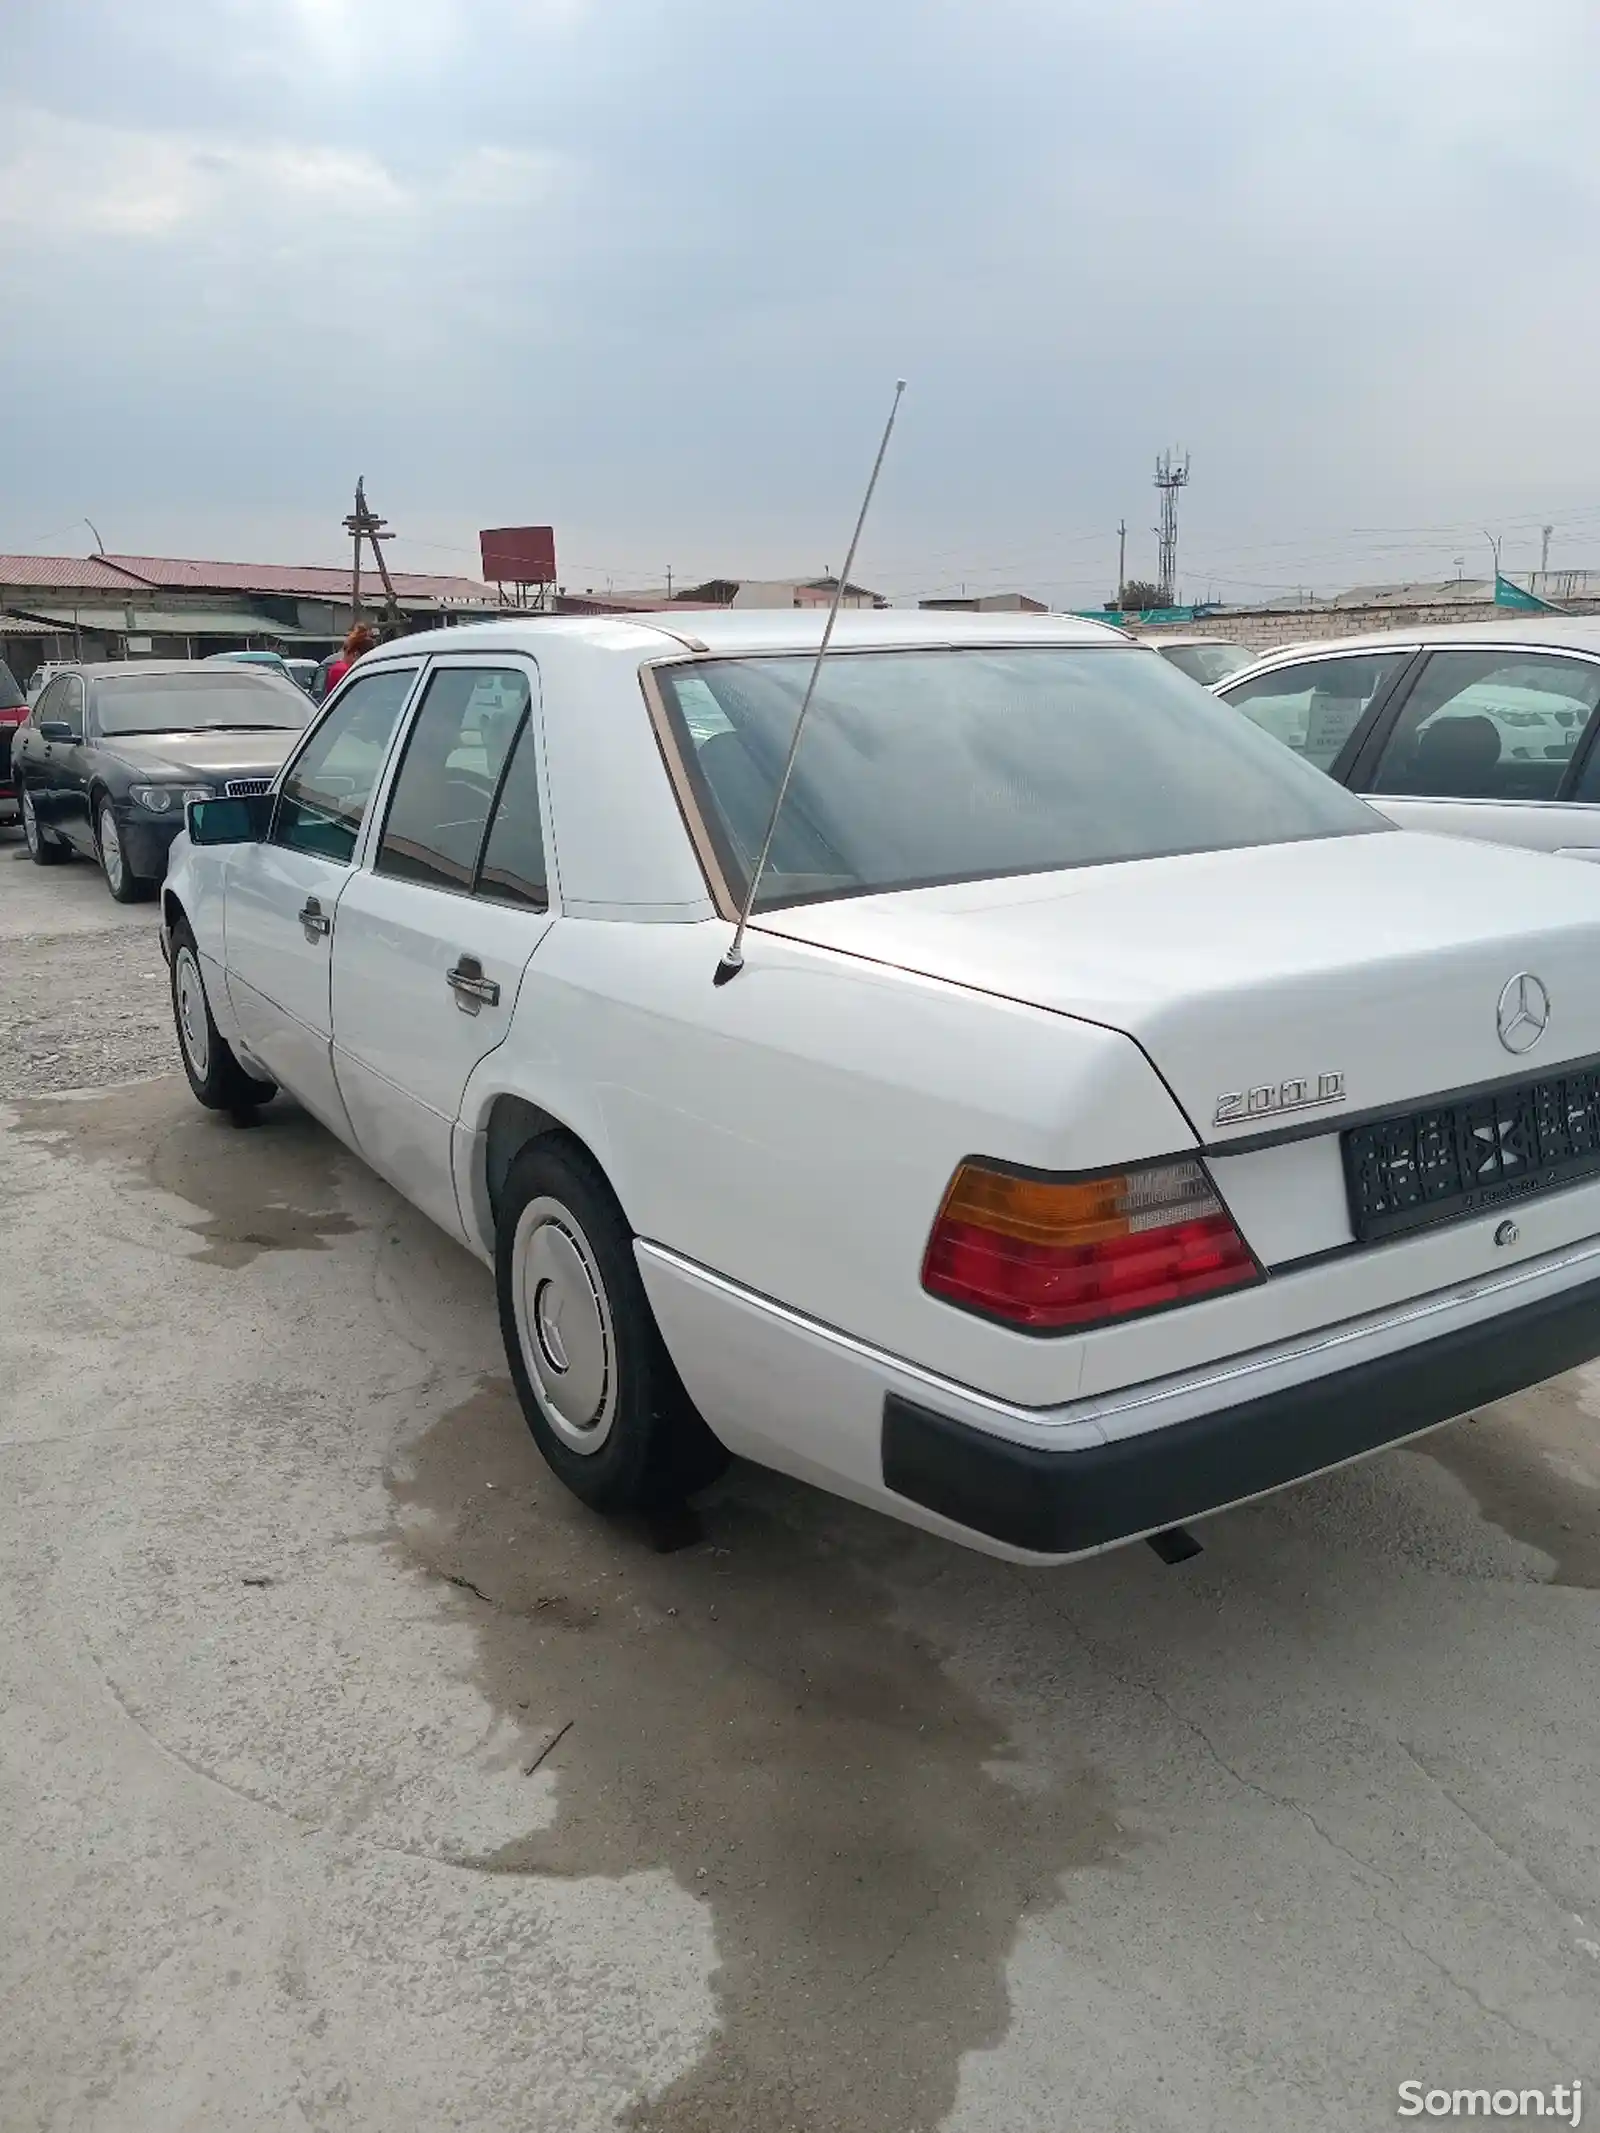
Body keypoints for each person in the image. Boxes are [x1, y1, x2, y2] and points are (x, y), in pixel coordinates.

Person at [323, 623, 375, 696]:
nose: (342, 659)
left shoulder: (339, 671)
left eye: (345, 654)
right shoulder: (377, 673)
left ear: (355, 654)